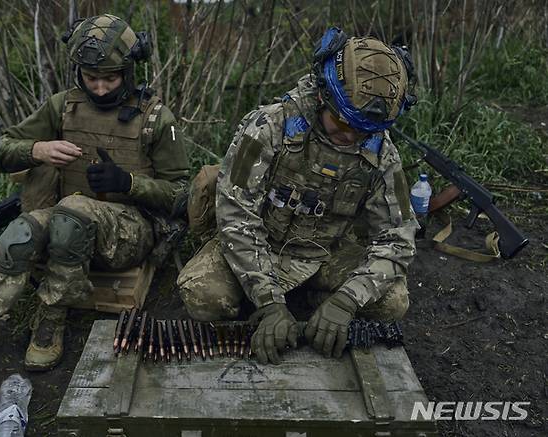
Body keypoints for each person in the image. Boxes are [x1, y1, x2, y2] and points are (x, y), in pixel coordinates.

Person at [0, 14, 189, 413]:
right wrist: (37, 150)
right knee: (21, 232)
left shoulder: (155, 119)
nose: (99, 87)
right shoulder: (63, 107)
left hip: (129, 233)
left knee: (72, 211)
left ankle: (52, 315)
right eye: (90, 77)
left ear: (129, 71)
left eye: (110, 78)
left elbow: (183, 195)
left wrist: (128, 183)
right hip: (68, 222)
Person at [177, 28, 418, 365]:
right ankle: (282, 304)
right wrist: (269, 301)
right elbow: (235, 215)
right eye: (342, 124)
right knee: (203, 295)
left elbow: (398, 236)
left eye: (363, 130)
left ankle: (320, 303)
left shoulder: (381, 153)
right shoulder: (268, 126)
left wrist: (347, 300)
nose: (351, 137)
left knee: (393, 301)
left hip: (326, 253)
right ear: (323, 96)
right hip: (261, 244)